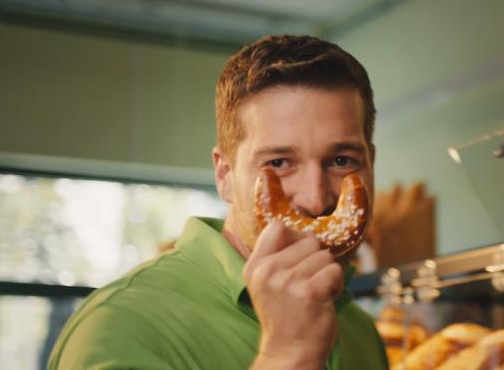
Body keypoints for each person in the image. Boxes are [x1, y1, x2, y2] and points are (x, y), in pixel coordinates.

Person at [48, 35, 389, 370]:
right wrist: (288, 356)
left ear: (370, 163)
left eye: (342, 161)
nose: (315, 200)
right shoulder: (121, 327)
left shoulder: (361, 332)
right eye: (278, 163)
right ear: (225, 174)